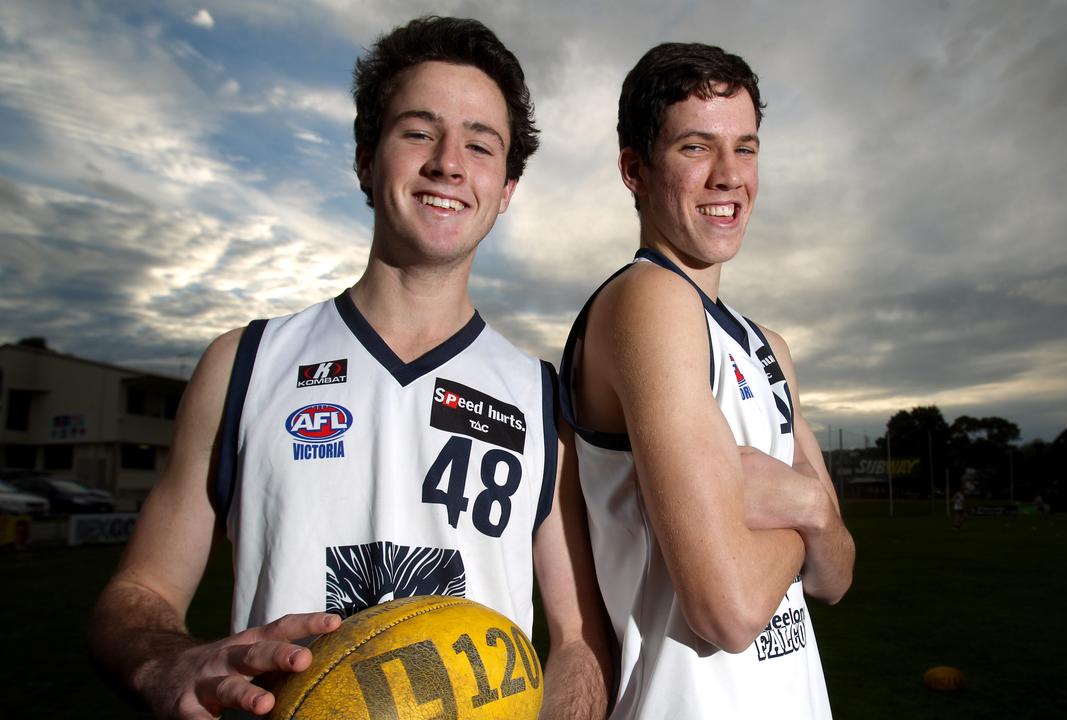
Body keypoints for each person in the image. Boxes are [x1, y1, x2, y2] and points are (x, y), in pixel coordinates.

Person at [90, 16, 609, 720]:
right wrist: (164, 661)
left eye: (481, 144)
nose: (449, 163)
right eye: (419, 132)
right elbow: (139, 595)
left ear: (507, 187)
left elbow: (578, 640)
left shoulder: (542, 398)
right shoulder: (244, 364)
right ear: (366, 158)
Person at [558, 42, 854, 718]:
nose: (729, 176)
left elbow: (838, 576)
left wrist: (805, 510)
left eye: (745, 149)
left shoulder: (768, 347)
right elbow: (729, 608)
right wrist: (811, 511)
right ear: (634, 170)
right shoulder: (647, 300)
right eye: (696, 148)